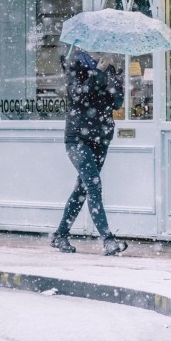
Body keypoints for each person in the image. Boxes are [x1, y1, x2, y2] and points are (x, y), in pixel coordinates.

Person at [51, 48, 128, 256]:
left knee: (82, 188)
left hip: (101, 137)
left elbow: (118, 102)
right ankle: (108, 239)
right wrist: (98, 73)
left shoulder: (110, 68)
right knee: (93, 185)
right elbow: (78, 96)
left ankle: (60, 234)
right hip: (78, 137)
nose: (101, 49)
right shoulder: (75, 65)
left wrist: (113, 76)